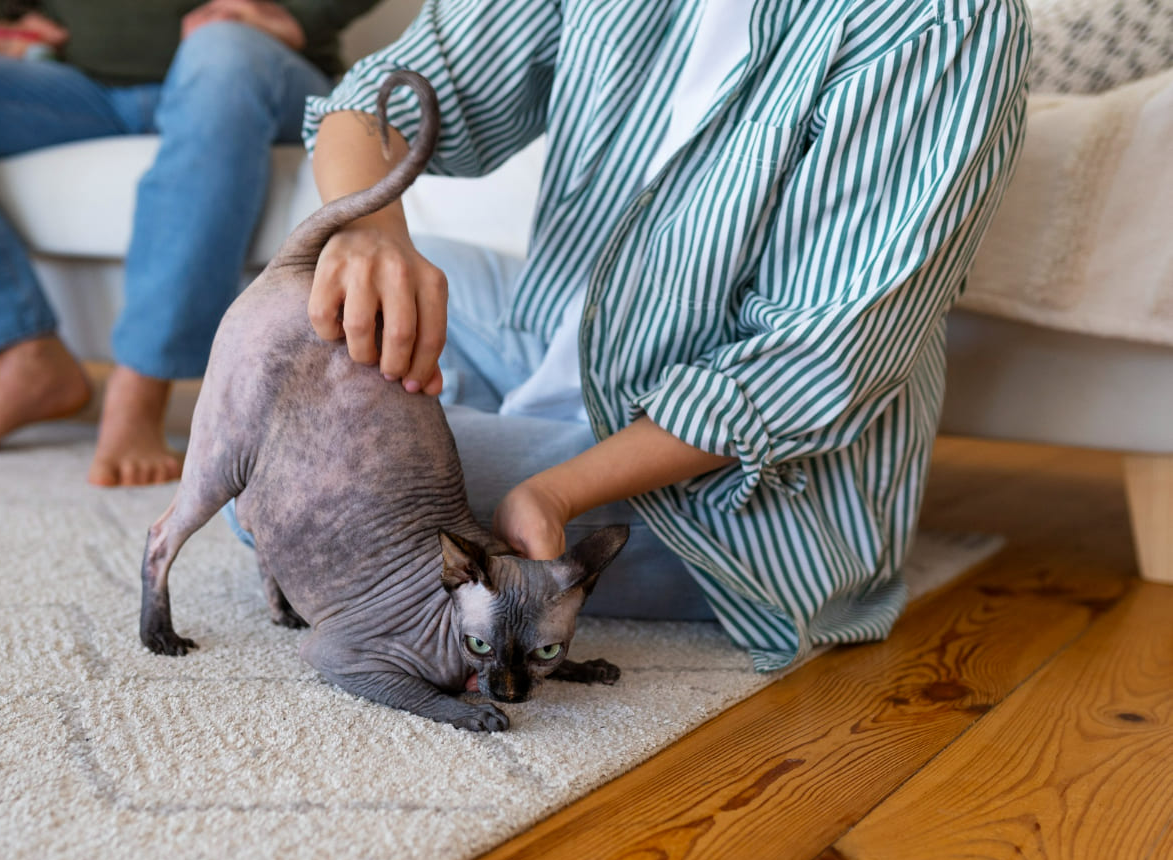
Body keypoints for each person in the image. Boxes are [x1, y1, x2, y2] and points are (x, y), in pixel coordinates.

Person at [303, 0, 1031, 669]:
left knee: (309, 480)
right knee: (307, 315)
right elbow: (378, 96)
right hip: (565, 342)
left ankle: (446, 439)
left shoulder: (942, 20)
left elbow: (813, 364)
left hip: (727, 488)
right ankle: (447, 430)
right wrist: (371, 229)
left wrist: (555, 495)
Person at [0, 0, 380, 486]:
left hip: (255, 63)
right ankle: (27, 356)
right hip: (80, 85)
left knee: (222, 48)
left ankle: (140, 389)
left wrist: (299, 13)